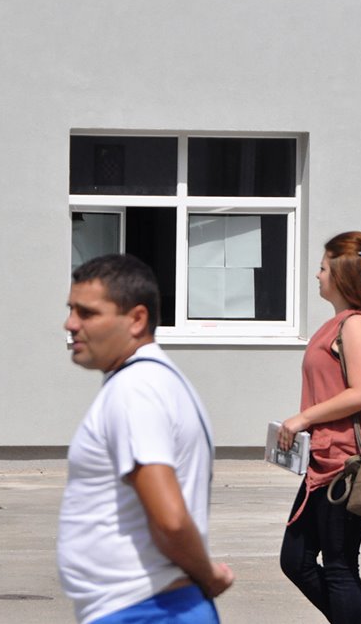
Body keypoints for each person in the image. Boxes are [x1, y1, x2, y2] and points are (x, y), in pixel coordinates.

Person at [57, 253, 234, 624]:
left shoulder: (135, 389)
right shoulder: (150, 381)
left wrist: (208, 575)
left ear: (136, 319)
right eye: (71, 310)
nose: (70, 324)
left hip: (147, 611)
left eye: (87, 313)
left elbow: (170, 519)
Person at [278, 231, 361, 624]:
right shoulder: (337, 324)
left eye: (324, 268)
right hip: (323, 462)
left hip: (346, 464)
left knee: (340, 567)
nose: (317, 275)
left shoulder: (357, 325)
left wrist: (304, 418)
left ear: (343, 274)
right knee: (295, 560)